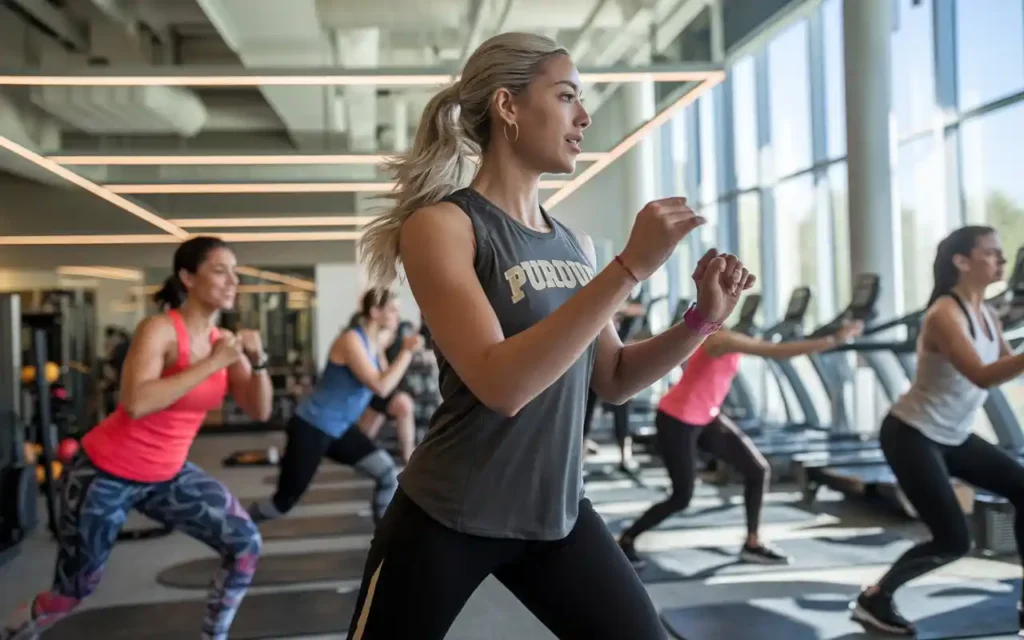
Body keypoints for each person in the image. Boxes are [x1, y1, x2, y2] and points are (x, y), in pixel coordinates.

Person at [345, 32, 756, 639]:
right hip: (449, 514)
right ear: (508, 107)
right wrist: (629, 270)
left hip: (555, 514)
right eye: (567, 97)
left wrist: (702, 319)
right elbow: (501, 383)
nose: (584, 116)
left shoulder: (572, 243)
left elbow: (612, 379)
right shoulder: (443, 227)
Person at [0, 236, 272, 640]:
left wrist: (258, 359)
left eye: (236, 271)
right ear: (187, 277)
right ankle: (14, 630)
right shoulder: (160, 329)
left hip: (167, 474)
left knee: (245, 544)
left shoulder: (223, 345)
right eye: (220, 270)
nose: (233, 280)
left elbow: (259, 410)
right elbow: (137, 403)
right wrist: (214, 363)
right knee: (75, 590)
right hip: (104, 473)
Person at [849, 226, 1024, 635]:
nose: (1001, 260)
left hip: (953, 433)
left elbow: (1005, 364)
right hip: (912, 433)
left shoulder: (985, 311)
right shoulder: (944, 313)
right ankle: (874, 598)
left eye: (1002, 254)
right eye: (991, 253)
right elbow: (981, 375)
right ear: (961, 262)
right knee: (952, 541)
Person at [616, 309, 864, 568]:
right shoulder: (721, 339)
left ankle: (753, 543)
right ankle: (627, 539)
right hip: (677, 419)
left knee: (757, 470)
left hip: (707, 415)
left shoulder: (717, 336)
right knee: (681, 497)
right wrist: (834, 340)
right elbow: (776, 351)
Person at [247, 289, 422, 526]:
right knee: (283, 503)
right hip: (311, 426)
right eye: (392, 310)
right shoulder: (351, 340)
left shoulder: (374, 344)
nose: (397, 316)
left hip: (339, 430)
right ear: (374, 312)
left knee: (387, 473)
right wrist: (406, 352)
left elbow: (386, 386)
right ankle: (237, 522)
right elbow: (380, 386)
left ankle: (384, 542)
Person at [356, 320, 419, 463]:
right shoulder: (365, 338)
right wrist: (379, 350)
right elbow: (383, 379)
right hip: (373, 390)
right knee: (361, 442)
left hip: (388, 392)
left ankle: (409, 454)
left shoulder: (401, 332)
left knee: (404, 405)